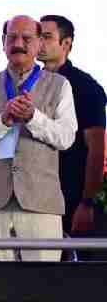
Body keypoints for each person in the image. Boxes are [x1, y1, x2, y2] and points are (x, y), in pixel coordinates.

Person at [0, 15, 76, 262]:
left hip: (41, 202)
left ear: (39, 43)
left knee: (42, 281)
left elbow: (66, 138)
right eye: (12, 38)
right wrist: (2, 121)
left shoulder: (60, 85)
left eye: (26, 38)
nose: (18, 44)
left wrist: (33, 117)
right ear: (3, 42)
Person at [38, 14, 106, 240]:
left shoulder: (86, 87)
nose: (39, 42)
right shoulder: (28, 82)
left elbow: (96, 150)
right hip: (33, 197)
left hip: (70, 196)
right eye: (38, 36)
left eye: (47, 36)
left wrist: (87, 203)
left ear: (66, 44)